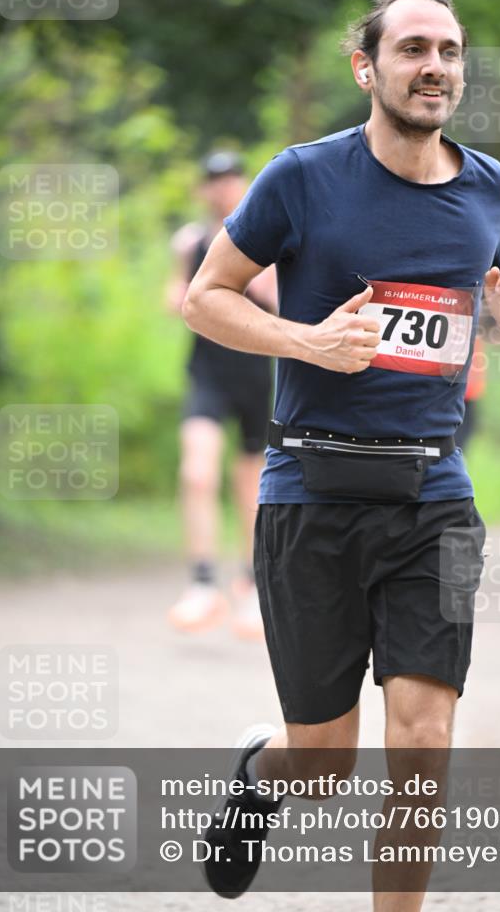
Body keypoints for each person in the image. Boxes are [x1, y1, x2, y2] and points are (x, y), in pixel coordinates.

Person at [183, 0, 500, 909]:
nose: (435, 67)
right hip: (310, 489)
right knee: (324, 762)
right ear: (367, 67)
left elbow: (458, 330)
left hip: (434, 497)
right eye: (413, 48)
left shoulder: (489, 186)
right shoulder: (302, 176)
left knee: (423, 746)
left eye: (450, 51)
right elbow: (206, 296)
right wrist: (306, 339)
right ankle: (260, 780)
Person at [166, 150, 277, 639]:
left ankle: (250, 586)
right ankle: (202, 583)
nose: (223, 187)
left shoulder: (266, 242)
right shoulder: (189, 241)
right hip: (206, 374)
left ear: (244, 184)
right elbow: (176, 298)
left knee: (250, 485)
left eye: (231, 178)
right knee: (196, 472)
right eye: (214, 180)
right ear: (204, 189)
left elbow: (277, 303)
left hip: (256, 374)